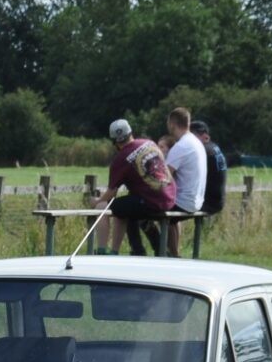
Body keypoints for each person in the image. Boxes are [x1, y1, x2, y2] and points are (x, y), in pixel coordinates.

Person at [92, 119, 176, 256]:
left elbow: (112, 193)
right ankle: (117, 251)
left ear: (114, 142)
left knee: (102, 206)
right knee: (122, 208)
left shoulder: (120, 159)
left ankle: (102, 250)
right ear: (131, 132)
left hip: (152, 202)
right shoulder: (150, 143)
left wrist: (97, 201)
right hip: (170, 197)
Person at [162, 107, 206, 257]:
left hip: (184, 201)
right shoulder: (195, 142)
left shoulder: (181, 146)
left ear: (172, 124)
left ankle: (162, 251)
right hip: (197, 200)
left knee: (142, 208)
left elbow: (163, 177)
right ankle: (172, 253)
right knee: (170, 218)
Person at [193, 119, 228, 216]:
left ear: (205, 136)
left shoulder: (203, 151)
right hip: (218, 200)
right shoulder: (214, 147)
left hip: (208, 202)